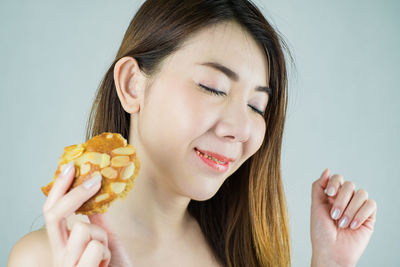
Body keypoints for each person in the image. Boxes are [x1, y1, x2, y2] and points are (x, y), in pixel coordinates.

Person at [8, 0, 377, 266]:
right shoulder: (45, 258)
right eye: (213, 88)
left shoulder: (242, 251)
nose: (239, 129)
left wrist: (330, 262)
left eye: (256, 106)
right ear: (132, 85)